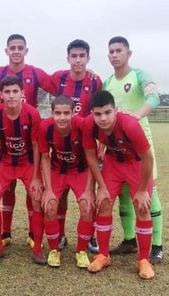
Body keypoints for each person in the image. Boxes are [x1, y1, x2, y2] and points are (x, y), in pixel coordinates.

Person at [0, 34, 54, 248]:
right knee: (5, 192)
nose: (16, 51)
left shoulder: (35, 73)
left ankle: (35, 236)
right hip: (6, 151)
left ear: (26, 50)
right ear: (7, 51)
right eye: (12, 47)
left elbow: (58, 86)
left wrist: (86, 76)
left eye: (20, 47)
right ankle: (4, 234)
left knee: (33, 193)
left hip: (28, 150)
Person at [103, 36, 163, 264]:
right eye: (111, 51)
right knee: (125, 196)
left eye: (119, 50)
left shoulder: (139, 75)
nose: (114, 54)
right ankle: (129, 240)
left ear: (129, 53)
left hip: (141, 146)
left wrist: (137, 115)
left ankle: (157, 246)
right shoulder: (108, 82)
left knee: (148, 195)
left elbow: (154, 97)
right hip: (117, 149)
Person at [83, 90, 155, 280]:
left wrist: (141, 190)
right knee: (104, 203)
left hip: (136, 164)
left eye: (107, 112)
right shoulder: (88, 125)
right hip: (113, 163)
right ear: (92, 113)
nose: (103, 118)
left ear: (115, 110)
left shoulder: (129, 124)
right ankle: (104, 255)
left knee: (142, 207)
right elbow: (90, 155)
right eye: (98, 114)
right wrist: (101, 187)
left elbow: (148, 158)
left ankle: (144, 260)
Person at [49, 39, 102, 251]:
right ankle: (60, 235)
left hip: (86, 147)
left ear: (88, 58)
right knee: (59, 198)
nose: (78, 60)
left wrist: (102, 143)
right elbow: (28, 78)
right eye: (74, 56)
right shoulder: (59, 78)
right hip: (61, 149)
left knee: (90, 197)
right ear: (68, 58)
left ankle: (91, 236)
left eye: (82, 56)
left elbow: (103, 110)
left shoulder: (96, 82)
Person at [0, 76, 44, 264]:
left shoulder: (32, 114)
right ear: (1, 94)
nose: (11, 96)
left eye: (15, 91)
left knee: (36, 199)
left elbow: (36, 146)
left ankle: (37, 249)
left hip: (27, 163)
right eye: (7, 92)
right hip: (5, 161)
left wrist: (36, 177)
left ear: (22, 93)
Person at [39, 95, 95, 268]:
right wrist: (48, 189)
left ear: (73, 113)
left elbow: (91, 157)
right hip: (58, 170)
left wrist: (89, 189)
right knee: (49, 206)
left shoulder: (82, 126)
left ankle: (82, 251)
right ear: (52, 113)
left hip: (81, 170)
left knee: (87, 206)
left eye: (66, 113)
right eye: (57, 113)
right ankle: (54, 250)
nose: (62, 117)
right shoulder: (45, 127)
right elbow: (44, 157)